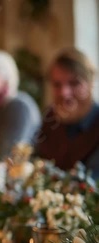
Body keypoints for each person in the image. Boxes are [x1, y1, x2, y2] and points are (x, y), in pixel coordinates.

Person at [35, 48, 99, 179]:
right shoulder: (50, 119)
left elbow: (90, 186)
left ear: (91, 83)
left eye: (74, 83)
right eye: (57, 85)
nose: (64, 93)